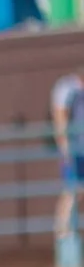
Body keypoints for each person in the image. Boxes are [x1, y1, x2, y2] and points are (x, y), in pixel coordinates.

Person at [57, 69, 84, 240]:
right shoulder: (68, 90)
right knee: (72, 191)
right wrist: (65, 149)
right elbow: (60, 118)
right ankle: (64, 235)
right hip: (75, 152)